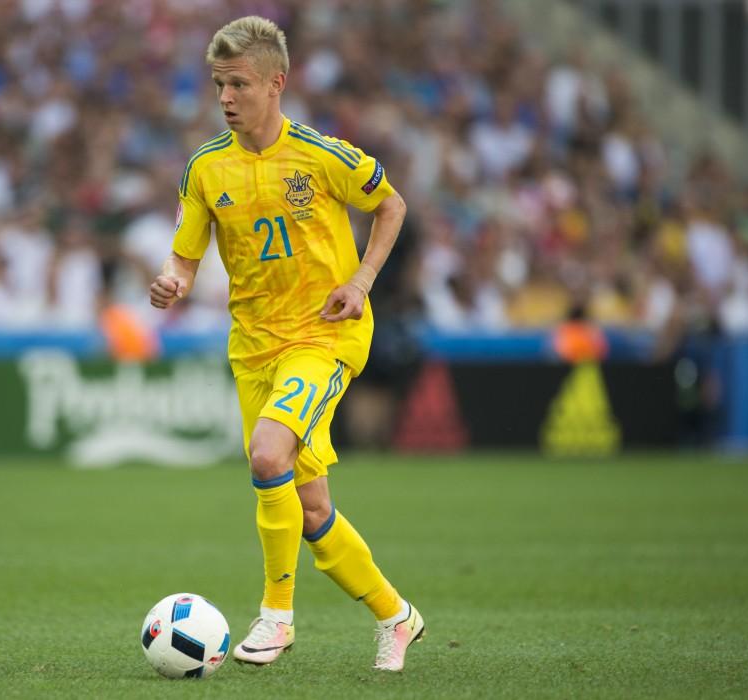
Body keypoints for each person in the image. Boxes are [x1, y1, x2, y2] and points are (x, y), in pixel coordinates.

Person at [149, 16, 423, 672]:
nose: (226, 97)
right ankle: (397, 617)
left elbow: (391, 205)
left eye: (239, 84)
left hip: (324, 334)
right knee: (310, 506)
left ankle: (276, 617)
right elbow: (185, 256)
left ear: (277, 83)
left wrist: (361, 280)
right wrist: (173, 279)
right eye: (219, 84)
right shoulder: (205, 168)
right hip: (253, 346)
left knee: (268, 453)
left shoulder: (323, 155)